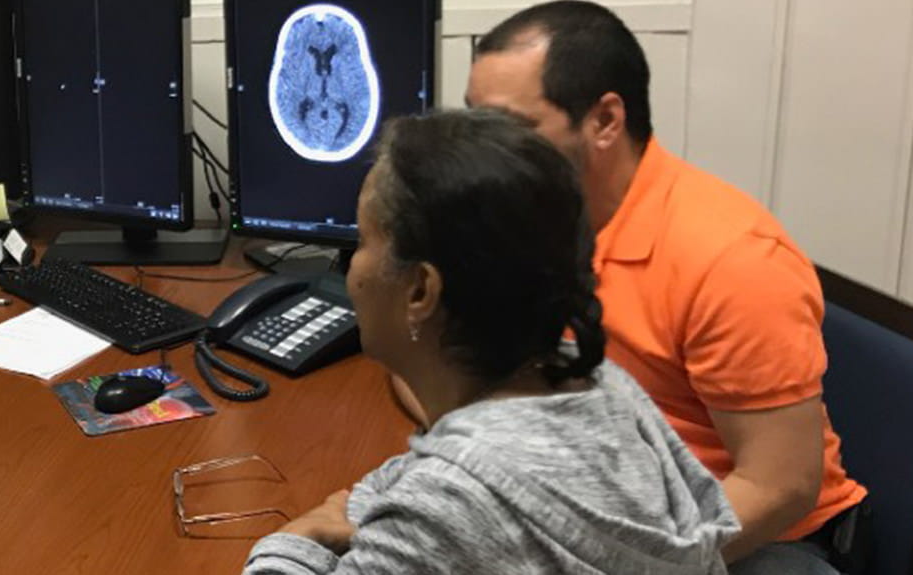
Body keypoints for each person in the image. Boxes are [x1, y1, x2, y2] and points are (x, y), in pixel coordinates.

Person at [456, 2, 867, 571]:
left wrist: (598, 557)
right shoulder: (531, 215)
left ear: (604, 121)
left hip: (754, 532)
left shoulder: (732, 260)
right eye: (474, 121)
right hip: (610, 487)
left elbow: (780, 488)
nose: (480, 152)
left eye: (509, 128)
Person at [244, 109, 739, 574]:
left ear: (420, 290)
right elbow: (424, 473)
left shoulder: (443, 510)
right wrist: (380, 509)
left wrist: (296, 540)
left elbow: (440, 500)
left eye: (362, 242)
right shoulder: (599, 384)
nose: (352, 268)